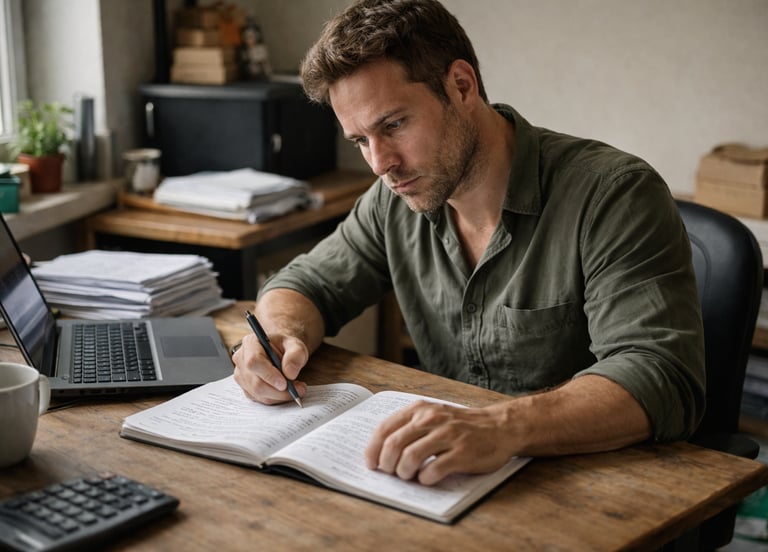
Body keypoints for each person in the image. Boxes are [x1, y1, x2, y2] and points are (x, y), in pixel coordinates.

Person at [232, 0, 705, 486]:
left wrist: (501, 427)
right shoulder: (393, 200)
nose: (379, 163)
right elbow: (309, 283)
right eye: (360, 141)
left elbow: (660, 375)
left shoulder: (613, 194)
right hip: (448, 478)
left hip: (593, 484)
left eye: (393, 125)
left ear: (461, 86)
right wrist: (279, 335)